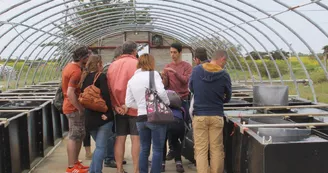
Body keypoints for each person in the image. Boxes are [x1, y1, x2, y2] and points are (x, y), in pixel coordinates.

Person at [125, 53, 170, 173]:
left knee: (144, 149)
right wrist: (166, 103)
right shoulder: (153, 74)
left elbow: (128, 102)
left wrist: (141, 106)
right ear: (151, 63)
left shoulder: (132, 79)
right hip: (155, 116)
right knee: (157, 149)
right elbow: (161, 92)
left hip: (140, 118)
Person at [189, 49, 232, 173]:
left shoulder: (196, 70)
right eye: (225, 61)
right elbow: (228, 96)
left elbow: (191, 88)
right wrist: (219, 100)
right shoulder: (224, 75)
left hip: (200, 116)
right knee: (217, 149)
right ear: (222, 59)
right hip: (216, 115)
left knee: (201, 150)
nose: (225, 64)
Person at [107, 41, 140, 173]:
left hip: (119, 109)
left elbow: (108, 89)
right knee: (136, 138)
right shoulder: (137, 64)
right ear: (134, 51)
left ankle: (119, 169)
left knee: (120, 138)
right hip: (135, 108)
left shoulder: (112, 66)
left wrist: (116, 106)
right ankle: (137, 170)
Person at [79, 55, 115, 173]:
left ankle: (92, 171)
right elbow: (106, 97)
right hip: (102, 118)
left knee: (99, 147)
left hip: (89, 119)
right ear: (99, 64)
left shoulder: (84, 78)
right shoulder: (101, 76)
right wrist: (109, 114)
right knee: (101, 148)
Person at [161, 42, 192, 172]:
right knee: (170, 127)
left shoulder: (187, 66)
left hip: (183, 101)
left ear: (179, 53)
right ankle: (173, 150)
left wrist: (174, 72)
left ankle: (183, 150)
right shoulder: (168, 66)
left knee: (183, 128)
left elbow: (186, 81)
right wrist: (163, 77)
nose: (172, 55)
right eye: (171, 52)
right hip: (171, 102)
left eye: (174, 52)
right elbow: (165, 85)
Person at [62, 46, 90, 173]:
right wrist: (79, 108)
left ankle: (75, 163)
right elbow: (70, 92)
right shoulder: (76, 71)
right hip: (73, 108)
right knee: (74, 136)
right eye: (88, 57)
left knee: (79, 134)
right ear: (83, 58)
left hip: (71, 107)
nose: (89, 60)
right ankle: (71, 167)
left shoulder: (70, 67)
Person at [104, 45, 127, 168]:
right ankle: (109, 158)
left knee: (115, 133)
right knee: (111, 133)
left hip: (112, 105)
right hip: (109, 106)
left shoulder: (111, 66)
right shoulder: (110, 67)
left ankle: (114, 157)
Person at [189, 47, 209, 118]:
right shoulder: (216, 67)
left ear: (197, 59)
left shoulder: (196, 70)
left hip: (200, 109)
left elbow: (191, 87)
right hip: (215, 111)